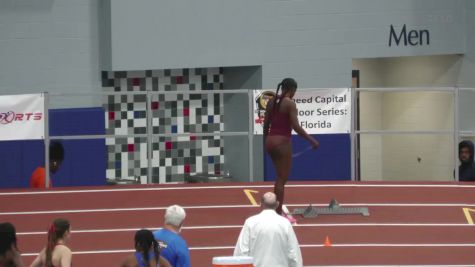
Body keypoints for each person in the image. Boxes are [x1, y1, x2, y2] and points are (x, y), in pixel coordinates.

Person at [263, 78, 319, 216]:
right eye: (294, 91)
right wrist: (312, 140)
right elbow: (296, 127)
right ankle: (277, 213)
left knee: (279, 178)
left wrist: (266, 142)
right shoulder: (290, 104)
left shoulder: (271, 101)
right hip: (282, 142)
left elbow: (266, 124)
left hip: (270, 141)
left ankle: (275, 211)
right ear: (292, 90)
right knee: (282, 180)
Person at [233, 192, 303, 267]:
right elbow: (293, 253)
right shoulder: (285, 224)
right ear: (277, 204)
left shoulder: (250, 222)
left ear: (261, 204)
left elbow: (241, 252)